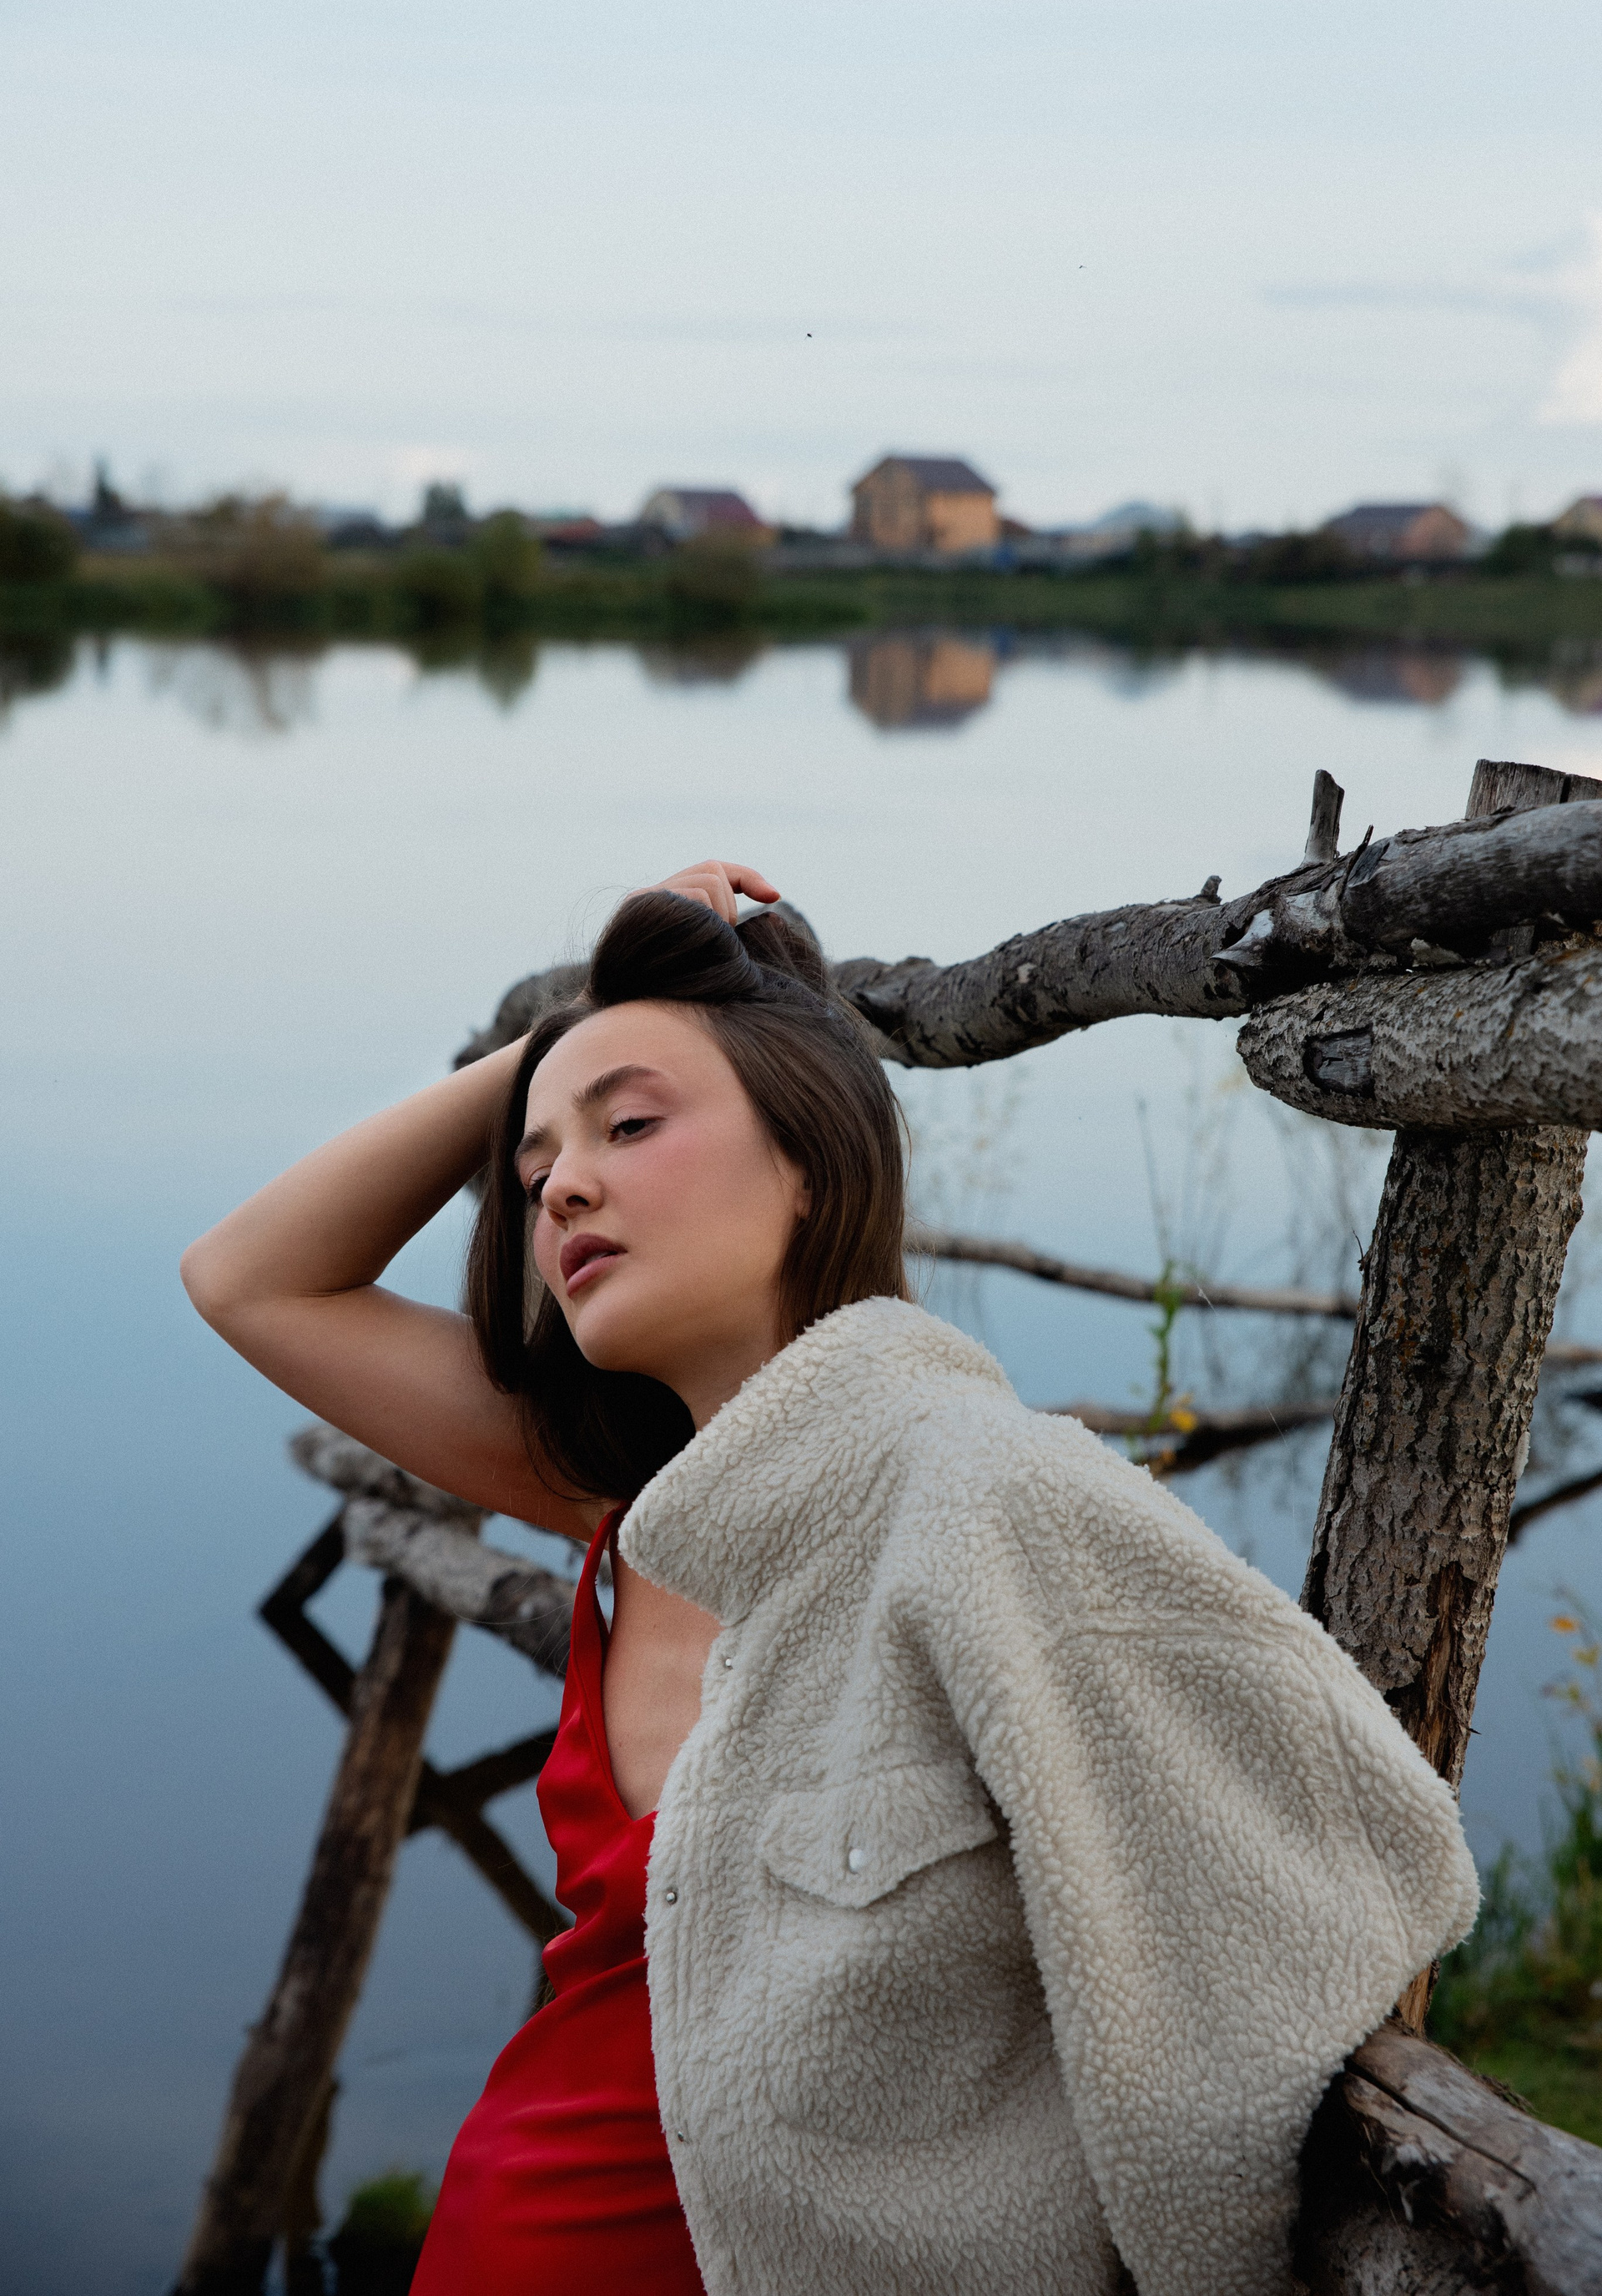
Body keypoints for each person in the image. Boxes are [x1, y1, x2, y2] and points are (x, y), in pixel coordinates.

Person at [181, 859, 1479, 2296]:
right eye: (537, 1170)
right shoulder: (651, 1509)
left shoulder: (985, 1494)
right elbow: (250, 1279)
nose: (566, 1187)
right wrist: (568, 1036)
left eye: (630, 1124)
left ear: (809, 1158)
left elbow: (1350, 1857)